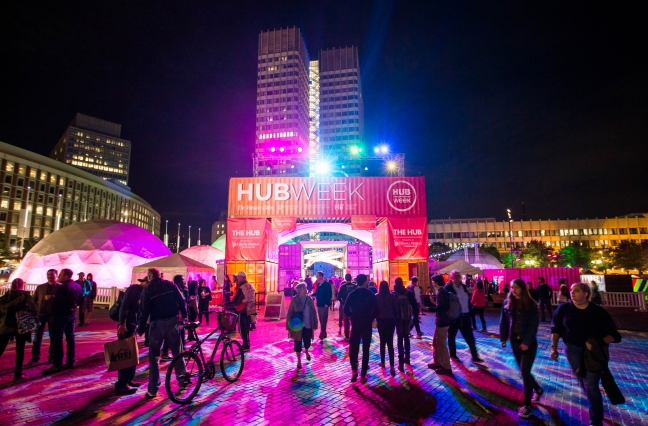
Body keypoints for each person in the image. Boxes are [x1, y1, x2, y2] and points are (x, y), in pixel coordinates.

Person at [550, 283, 622, 426]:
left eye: (576, 290)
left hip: (593, 353)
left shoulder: (598, 311)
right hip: (573, 350)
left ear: (586, 293)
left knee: (591, 385)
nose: (572, 293)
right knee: (585, 383)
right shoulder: (564, 309)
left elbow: (615, 335)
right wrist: (554, 347)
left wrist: (598, 342)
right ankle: (595, 408)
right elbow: (556, 328)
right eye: (571, 290)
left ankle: (596, 421)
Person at [137, 267, 188, 398]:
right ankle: (182, 381)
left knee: (154, 358)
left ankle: (153, 389)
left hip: (156, 325)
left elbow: (144, 312)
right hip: (172, 321)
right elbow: (181, 300)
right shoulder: (170, 284)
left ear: (149, 277)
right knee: (177, 353)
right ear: (160, 275)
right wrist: (184, 314)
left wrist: (141, 329)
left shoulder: (148, 290)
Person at [500, 279, 543, 420]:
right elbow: (504, 322)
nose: (514, 290)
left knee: (525, 371)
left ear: (523, 289)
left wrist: (527, 342)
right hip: (514, 341)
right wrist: (503, 337)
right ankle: (538, 389)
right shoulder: (507, 304)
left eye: (517, 287)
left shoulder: (531, 305)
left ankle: (527, 405)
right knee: (524, 370)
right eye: (512, 287)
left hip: (528, 343)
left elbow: (533, 325)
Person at [43, 268, 84, 374]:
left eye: (60, 275)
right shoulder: (77, 286)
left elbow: (57, 302)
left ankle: (57, 364)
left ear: (66, 276)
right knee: (70, 338)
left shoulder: (63, 287)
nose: (59, 277)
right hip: (71, 315)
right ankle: (70, 361)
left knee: (57, 340)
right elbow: (81, 300)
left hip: (60, 316)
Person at [115, 276, 148, 395]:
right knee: (125, 355)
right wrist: (122, 323)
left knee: (132, 354)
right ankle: (121, 384)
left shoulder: (144, 292)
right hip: (126, 326)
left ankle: (128, 379)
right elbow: (124, 307)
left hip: (133, 325)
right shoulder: (134, 289)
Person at [344, 274, 379, 383]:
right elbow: (376, 310)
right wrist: (371, 317)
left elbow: (345, 309)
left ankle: (354, 370)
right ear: (364, 282)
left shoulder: (353, 294)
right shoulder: (370, 294)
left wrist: (351, 316)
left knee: (354, 347)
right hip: (366, 323)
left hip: (356, 323)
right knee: (365, 349)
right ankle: (363, 374)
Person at [0, 278, 37, 381]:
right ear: (22, 285)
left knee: (0, 348)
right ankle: (18, 375)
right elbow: (34, 308)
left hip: (5, 325)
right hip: (20, 325)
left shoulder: (5, 296)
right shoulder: (25, 295)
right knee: (20, 350)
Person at [446, 270, 484, 363]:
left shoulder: (463, 287)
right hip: (455, 317)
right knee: (452, 336)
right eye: (455, 276)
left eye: (459, 276)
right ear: (452, 277)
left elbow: (467, 300)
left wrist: (470, 312)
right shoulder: (449, 288)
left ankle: (475, 356)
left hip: (465, 315)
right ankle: (453, 355)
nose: (458, 278)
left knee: (470, 337)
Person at [28, 268, 59, 365]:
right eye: (48, 274)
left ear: (56, 276)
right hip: (41, 314)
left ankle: (52, 356)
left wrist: (53, 297)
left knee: (53, 337)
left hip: (53, 315)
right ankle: (35, 356)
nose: (50, 276)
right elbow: (34, 300)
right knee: (37, 337)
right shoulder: (40, 287)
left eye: (52, 274)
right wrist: (35, 310)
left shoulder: (59, 288)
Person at [286, 283, 318, 370]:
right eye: (303, 288)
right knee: (298, 342)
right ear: (299, 290)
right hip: (298, 325)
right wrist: (288, 325)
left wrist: (315, 322)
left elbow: (313, 311)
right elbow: (290, 312)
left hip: (308, 323)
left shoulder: (309, 299)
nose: (305, 290)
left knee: (307, 341)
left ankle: (307, 352)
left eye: (305, 288)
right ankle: (299, 361)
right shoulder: (294, 300)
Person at [427, 274, 452, 375]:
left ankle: (446, 366)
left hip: (442, 322)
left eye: (433, 281)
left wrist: (428, 308)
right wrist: (433, 301)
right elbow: (441, 306)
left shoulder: (441, 293)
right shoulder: (442, 292)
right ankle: (437, 362)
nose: (432, 283)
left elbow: (440, 308)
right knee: (435, 342)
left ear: (436, 282)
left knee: (441, 344)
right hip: (442, 321)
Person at [225, 271, 254, 352]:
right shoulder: (250, 285)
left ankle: (246, 345)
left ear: (242, 278)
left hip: (242, 309)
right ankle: (247, 344)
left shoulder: (242, 287)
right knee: (247, 328)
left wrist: (228, 304)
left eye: (238, 277)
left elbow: (237, 300)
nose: (237, 279)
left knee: (242, 328)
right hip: (249, 309)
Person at [375, 280, 398, 376]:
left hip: (381, 320)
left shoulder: (377, 297)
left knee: (382, 342)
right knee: (390, 343)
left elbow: (375, 309)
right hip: (390, 320)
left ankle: (383, 362)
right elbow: (396, 309)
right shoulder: (392, 297)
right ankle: (392, 366)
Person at [393, 277, 416, 371]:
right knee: (406, 337)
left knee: (400, 338)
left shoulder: (394, 294)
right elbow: (415, 305)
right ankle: (408, 358)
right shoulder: (408, 293)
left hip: (398, 319)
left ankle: (401, 362)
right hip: (407, 318)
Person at [313, 271, 334, 341]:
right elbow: (317, 293)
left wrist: (327, 303)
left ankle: (322, 333)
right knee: (321, 319)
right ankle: (324, 332)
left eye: (318, 276)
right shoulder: (319, 284)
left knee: (324, 319)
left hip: (324, 305)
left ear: (321, 276)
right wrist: (311, 294)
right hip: (319, 304)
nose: (317, 277)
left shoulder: (327, 284)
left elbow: (329, 294)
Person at [337, 274, 357, 340]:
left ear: (345, 278)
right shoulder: (355, 286)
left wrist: (342, 303)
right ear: (351, 278)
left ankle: (347, 336)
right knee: (353, 321)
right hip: (353, 306)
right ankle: (353, 334)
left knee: (346, 321)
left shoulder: (342, 286)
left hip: (345, 305)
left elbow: (339, 297)